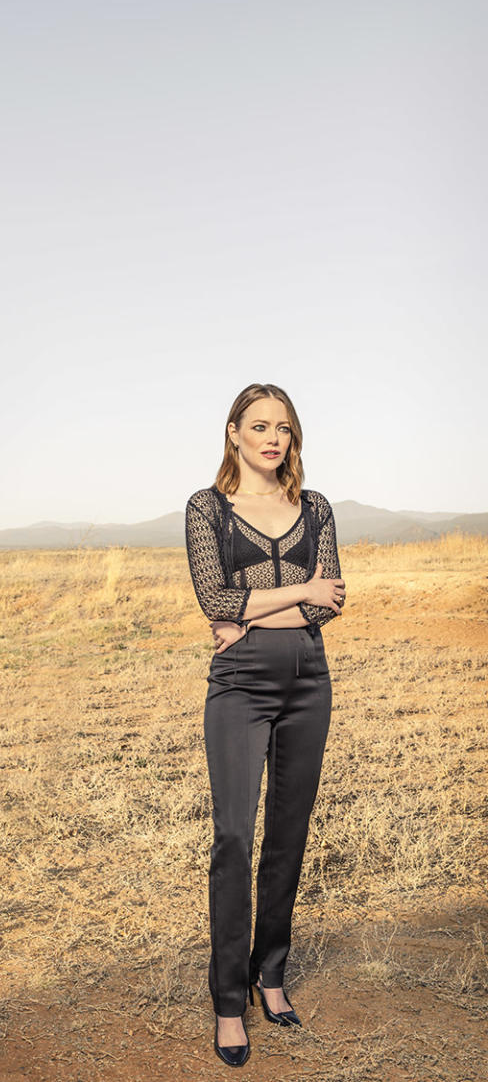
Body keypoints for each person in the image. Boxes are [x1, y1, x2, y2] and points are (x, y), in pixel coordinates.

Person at [184, 383, 344, 1067]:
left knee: (289, 833)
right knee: (232, 836)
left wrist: (251, 613)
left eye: (282, 426)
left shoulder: (317, 508)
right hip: (239, 686)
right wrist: (296, 592)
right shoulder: (207, 509)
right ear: (233, 433)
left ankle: (270, 972)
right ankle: (228, 998)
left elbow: (331, 600)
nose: (271, 437)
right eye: (258, 425)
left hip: (310, 678)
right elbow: (212, 597)